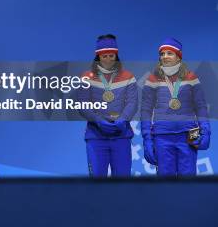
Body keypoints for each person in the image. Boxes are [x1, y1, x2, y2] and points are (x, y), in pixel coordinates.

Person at [141, 37, 210, 176]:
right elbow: (145, 111)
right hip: (162, 136)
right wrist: (147, 139)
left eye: (169, 53)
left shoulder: (191, 77)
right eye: (162, 54)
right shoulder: (152, 79)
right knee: (166, 185)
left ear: (179, 57)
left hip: (189, 134)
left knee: (188, 183)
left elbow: (201, 106)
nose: (165, 56)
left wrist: (206, 131)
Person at [77, 34, 138, 177]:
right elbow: (82, 104)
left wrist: (123, 120)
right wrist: (99, 121)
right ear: (98, 57)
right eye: (104, 56)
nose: (108, 60)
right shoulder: (86, 77)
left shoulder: (128, 76)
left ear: (116, 55)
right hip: (96, 137)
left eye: (111, 55)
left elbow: (132, 103)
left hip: (121, 136)